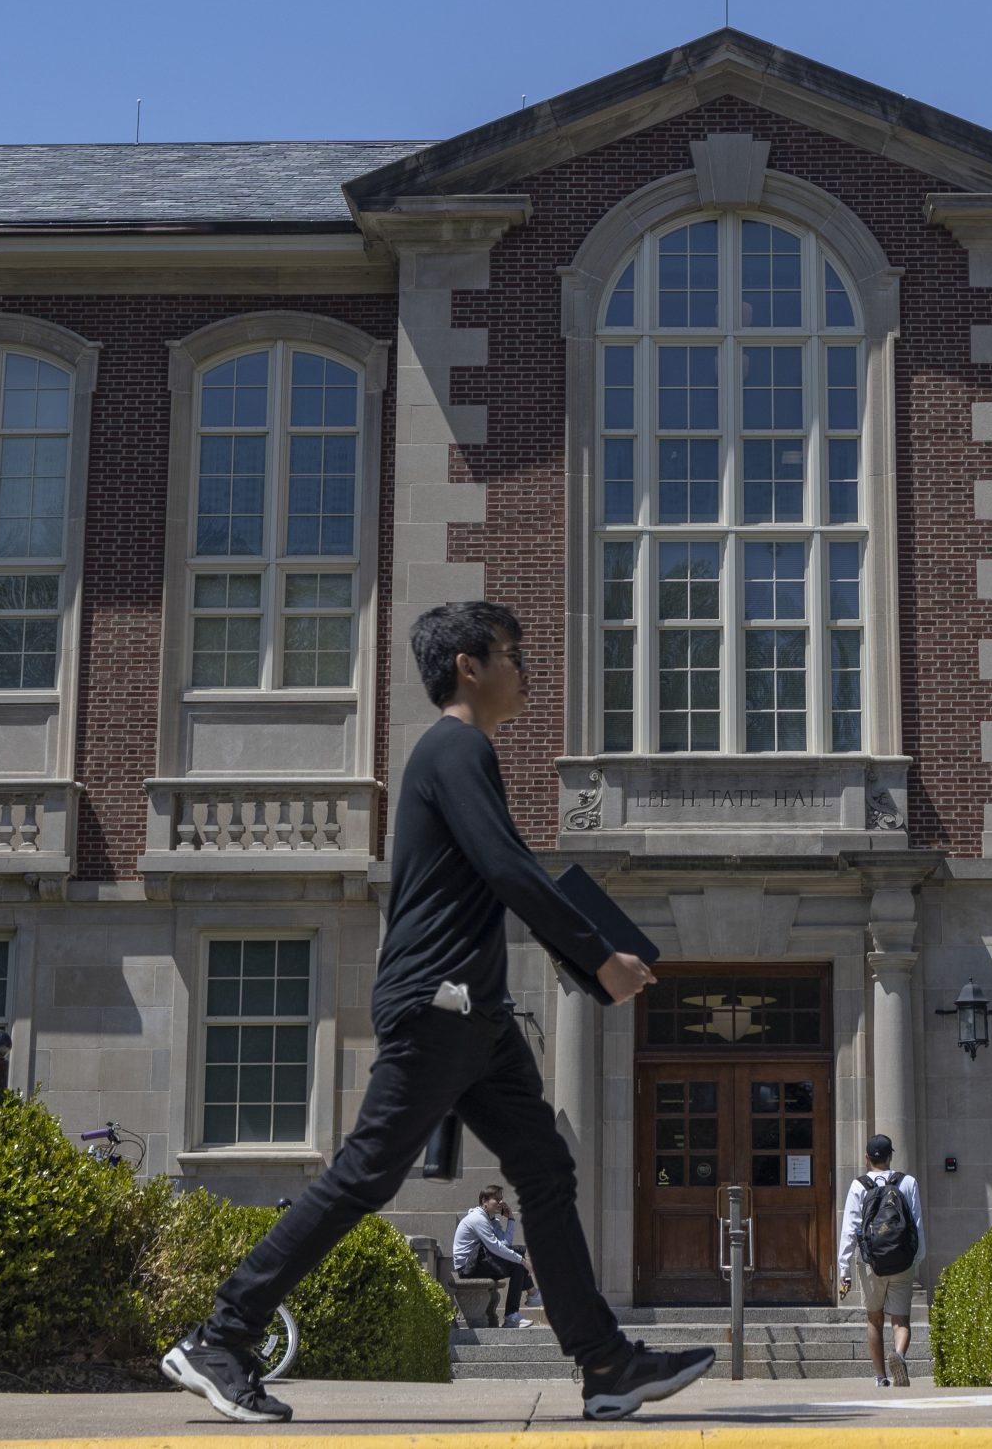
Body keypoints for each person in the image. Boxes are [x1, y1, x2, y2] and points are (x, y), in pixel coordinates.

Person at [163, 601, 712, 1424]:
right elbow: (508, 868)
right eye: (511, 653)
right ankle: (222, 1334)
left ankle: (605, 1363)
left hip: (477, 1016)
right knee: (364, 1175)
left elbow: (504, 870)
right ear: (468, 663)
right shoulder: (454, 746)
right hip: (437, 1003)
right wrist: (599, 957)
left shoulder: (465, 753)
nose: (524, 667)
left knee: (545, 1168)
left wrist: (585, 955)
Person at [835, 1132, 925, 1387]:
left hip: (870, 1262)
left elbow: (850, 1228)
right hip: (902, 1261)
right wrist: (916, 1258)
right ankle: (898, 1355)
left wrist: (844, 1270)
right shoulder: (907, 1182)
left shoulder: (859, 1185)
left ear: (867, 1157)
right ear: (891, 1156)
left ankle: (881, 1377)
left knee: (874, 1318)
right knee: (901, 1320)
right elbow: (917, 1225)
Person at [454, 1184, 535, 1327]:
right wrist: (522, 1260)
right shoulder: (477, 1219)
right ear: (484, 1201)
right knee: (518, 1261)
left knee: (517, 1264)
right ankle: (532, 1294)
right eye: (496, 1199)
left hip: (480, 1262)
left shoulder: (493, 1221)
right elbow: (494, 1246)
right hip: (467, 1267)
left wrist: (510, 1218)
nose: (501, 1202)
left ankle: (512, 1314)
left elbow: (505, 1244)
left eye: (501, 1199)